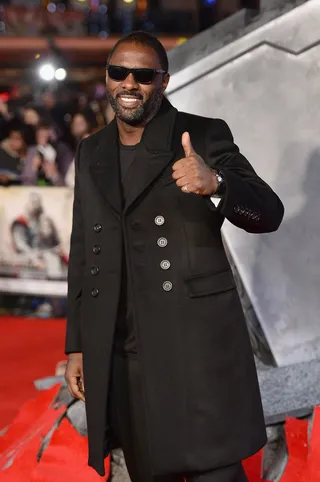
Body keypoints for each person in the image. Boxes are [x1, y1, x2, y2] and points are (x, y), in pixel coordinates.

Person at [65, 31, 284, 482]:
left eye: (143, 75)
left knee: (215, 471)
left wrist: (218, 183)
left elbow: (269, 212)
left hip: (194, 346)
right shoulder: (92, 151)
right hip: (125, 351)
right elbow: (84, 250)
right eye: (118, 72)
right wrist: (78, 344)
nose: (130, 83)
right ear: (106, 79)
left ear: (163, 81)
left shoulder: (201, 133)